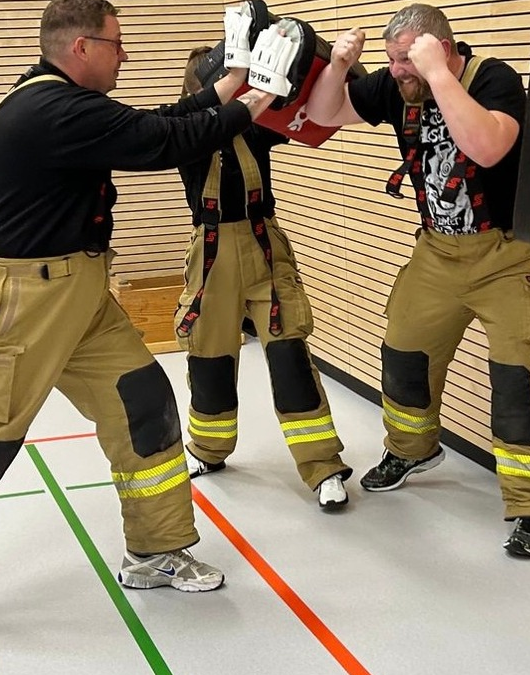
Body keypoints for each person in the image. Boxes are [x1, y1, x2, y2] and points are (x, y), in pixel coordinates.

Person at [0, 0, 289, 652]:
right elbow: (166, 142)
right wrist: (263, 96)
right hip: (18, 307)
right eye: (117, 44)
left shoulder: (66, 103)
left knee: (144, 406)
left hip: (80, 295)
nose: (124, 55)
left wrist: (233, 80)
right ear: (81, 49)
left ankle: (155, 552)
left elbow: (151, 122)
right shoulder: (53, 112)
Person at [307, 3, 530, 557]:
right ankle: (413, 449)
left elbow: (489, 145)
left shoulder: (490, 78)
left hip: (508, 255)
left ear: (441, 50)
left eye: (407, 59)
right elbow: (325, 115)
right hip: (438, 253)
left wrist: (439, 74)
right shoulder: (398, 86)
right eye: (392, 59)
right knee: (403, 351)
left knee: (516, 381)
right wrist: (339, 65)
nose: (397, 70)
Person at [175, 45, 353, 509]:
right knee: (209, 358)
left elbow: (308, 118)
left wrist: (329, 67)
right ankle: (208, 449)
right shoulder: (185, 130)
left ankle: (323, 467)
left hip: (263, 248)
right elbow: (190, 125)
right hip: (211, 254)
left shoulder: (255, 123)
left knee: (289, 353)